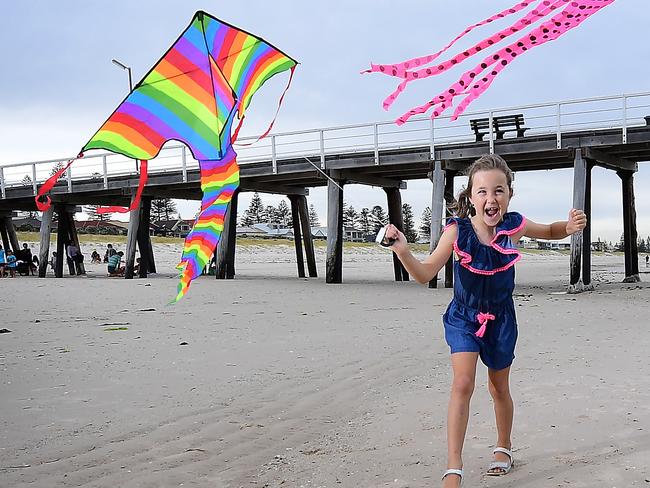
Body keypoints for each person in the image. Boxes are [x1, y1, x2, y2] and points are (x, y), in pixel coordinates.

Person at [381, 154, 587, 487]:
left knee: (498, 387)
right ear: (471, 196)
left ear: (509, 194)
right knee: (463, 383)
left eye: (499, 191)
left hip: (501, 319)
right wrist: (403, 250)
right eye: (482, 192)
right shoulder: (457, 231)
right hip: (464, 316)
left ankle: (503, 447)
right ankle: (454, 466)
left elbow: (549, 230)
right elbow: (424, 273)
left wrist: (569, 227)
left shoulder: (514, 226)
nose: (491, 199)